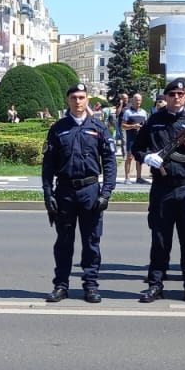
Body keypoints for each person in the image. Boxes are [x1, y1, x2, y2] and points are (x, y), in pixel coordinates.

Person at [135, 78, 185, 303]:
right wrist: (146, 157)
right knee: (160, 240)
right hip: (162, 188)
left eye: (180, 94)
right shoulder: (155, 120)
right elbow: (137, 147)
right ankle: (155, 285)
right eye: (172, 94)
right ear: (166, 97)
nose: (176, 98)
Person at [41, 83, 116, 302]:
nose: (78, 101)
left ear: (87, 100)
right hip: (65, 191)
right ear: (68, 100)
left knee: (91, 242)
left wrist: (106, 192)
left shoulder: (99, 128)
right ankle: (61, 286)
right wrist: (48, 193)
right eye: (74, 97)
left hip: (90, 191)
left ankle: (90, 286)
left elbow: (110, 162)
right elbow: (48, 164)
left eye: (81, 97)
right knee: (64, 242)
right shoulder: (58, 128)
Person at [120, 92, 149, 183]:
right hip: (131, 139)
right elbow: (123, 125)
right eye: (136, 100)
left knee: (139, 158)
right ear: (133, 101)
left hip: (140, 139)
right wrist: (133, 126)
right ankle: (127, 178)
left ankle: (139, 178)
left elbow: (146, 125)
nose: (138, 102)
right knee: (129, 157)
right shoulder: (127, 112)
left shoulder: (144, 112)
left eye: (139, 100)